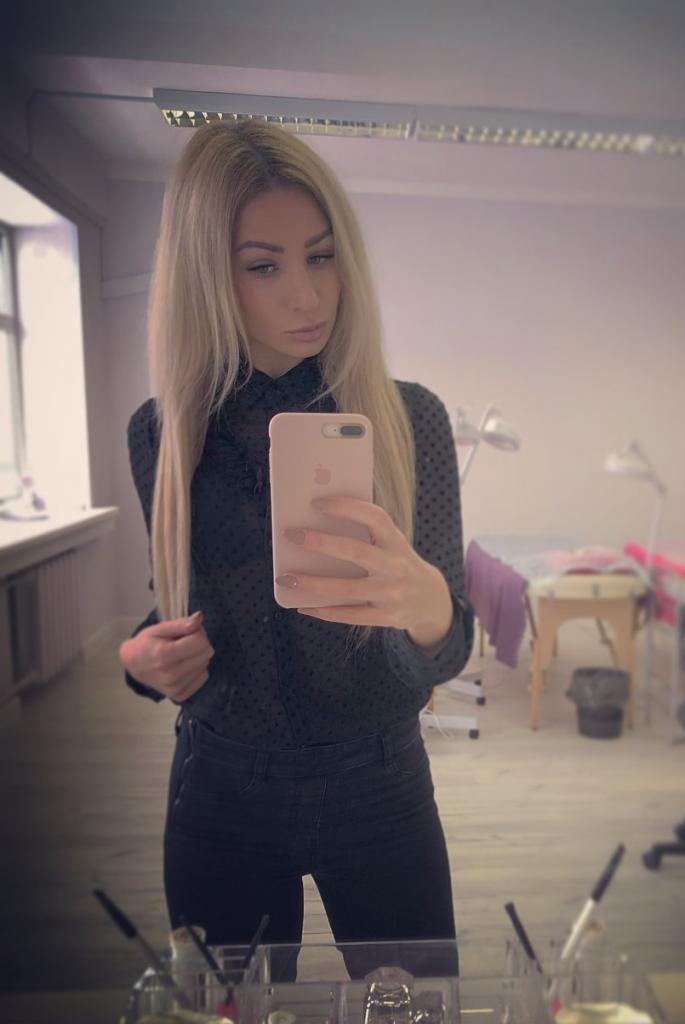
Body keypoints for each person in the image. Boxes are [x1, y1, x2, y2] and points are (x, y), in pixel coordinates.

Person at [118, 120, 475, 979]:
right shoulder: (163, 434)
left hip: (378, 783)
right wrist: (141, 660)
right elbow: (184, 608)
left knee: (416, 1010)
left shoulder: (409, 420)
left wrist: (430, 610)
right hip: (221, 789)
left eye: (321, 257)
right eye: (263, 266)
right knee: (226, 1010)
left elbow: (444, 648)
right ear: (209, 276)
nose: (307, 296)